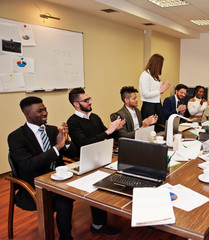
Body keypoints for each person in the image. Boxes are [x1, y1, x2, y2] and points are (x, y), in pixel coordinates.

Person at [8, 96, 77, 240]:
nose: (45, 113)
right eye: (40, 111)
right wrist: (57, 147)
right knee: (64, 202)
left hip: (59, 181)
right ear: (27, 114)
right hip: (35, 185)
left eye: (45, 109)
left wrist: (67, 140)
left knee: (67, 199)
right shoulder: (16, 137)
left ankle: (65, 237)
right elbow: (29, 164)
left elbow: (73, 154)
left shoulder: (52, 130)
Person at [67, 88, 124, 236]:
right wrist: (107, 132)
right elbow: (84, 143)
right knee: (101, 185)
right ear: (76, 104)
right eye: (86, 100)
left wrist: (116, 129)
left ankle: (113, 210)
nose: (90, 102)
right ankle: (98, 225)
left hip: (102, 157)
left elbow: (106, 134)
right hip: (85, 160)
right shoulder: (72, 122)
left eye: (89, 98)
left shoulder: (95, 117)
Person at [139, 53, 171, 132]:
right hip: (149, 106)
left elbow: (155, 92)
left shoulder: (155, 76)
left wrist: (162, 89)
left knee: (160, 128)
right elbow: (145, 94)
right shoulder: (145, 75)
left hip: (157, 104)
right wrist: (160, 90)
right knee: (151, 130)